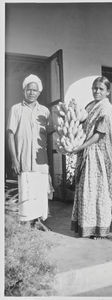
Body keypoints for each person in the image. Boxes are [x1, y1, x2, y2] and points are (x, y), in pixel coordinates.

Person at [70, 76, 112, 239]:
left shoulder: (106, 108)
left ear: (108, 91)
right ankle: (85, 226)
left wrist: (78, 147)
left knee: (99, 191)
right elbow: (81, 123)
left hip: (99, 156)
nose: (97, 91)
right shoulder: (91, 106)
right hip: (88, 153)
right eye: (95, 88)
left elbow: (99, 134)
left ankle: (99, 229)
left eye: (101, 89)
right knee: (86, 190)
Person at [7, 74, 54, 230]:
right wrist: (14, 159)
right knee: (26, 192)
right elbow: (10, 135)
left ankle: (38, 222)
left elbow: (48, 134)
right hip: (24, 159)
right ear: (24, 90)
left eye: (35, 90)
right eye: (29, 89)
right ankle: (26, 224)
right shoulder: (16, 109)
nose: (32, 92)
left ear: (39, 92)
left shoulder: (45, 112)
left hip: (41, 161)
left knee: (40, 192)